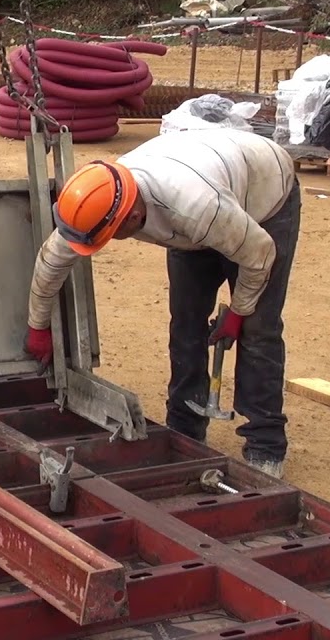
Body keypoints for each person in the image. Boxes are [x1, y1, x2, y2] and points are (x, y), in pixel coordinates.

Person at [23, 128, 301, 479]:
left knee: (259, 329)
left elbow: (260, 255)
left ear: (133, 219)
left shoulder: (197, 208)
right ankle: (185, 430)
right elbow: (51, 262)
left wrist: (240, 311)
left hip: (265, 196)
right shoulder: (97, 200)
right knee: (186, 322)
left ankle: (265, 445)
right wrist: (38, 325)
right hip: (205, 189)